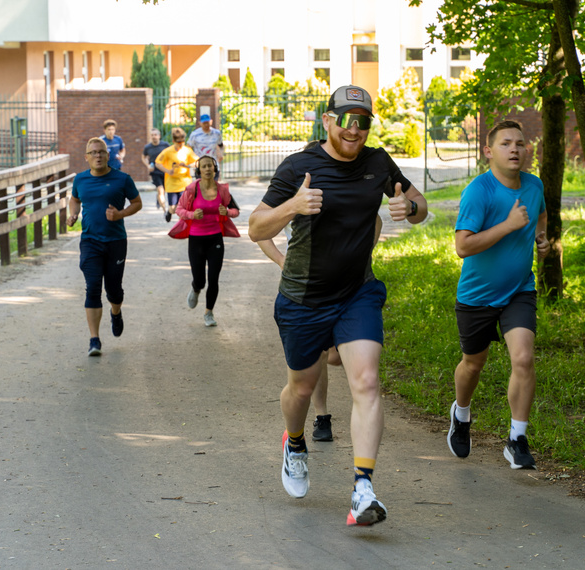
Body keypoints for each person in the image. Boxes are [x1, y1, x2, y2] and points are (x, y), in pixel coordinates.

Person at [248, 85, 427, 526]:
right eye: (346, 119)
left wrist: (410, 207)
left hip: (356, 291)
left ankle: (363, 488)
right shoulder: (299, 166)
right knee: (302, 390)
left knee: (366, 381)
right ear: (327, 121)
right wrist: (293, 205)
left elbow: (419, 202)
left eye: (364, 121)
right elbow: (254, 227)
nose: (355, 129)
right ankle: (293, 442)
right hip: (303, 299)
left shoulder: (377, 162)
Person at [447, 120, 550, 470]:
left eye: (520, 144)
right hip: (477, 295)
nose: (515, 150)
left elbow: (540, 216)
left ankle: (517, 438)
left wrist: (541, 239)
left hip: (520, 290)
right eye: (506, 144)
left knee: (523, 359)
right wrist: (508, 225)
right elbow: (462, 247)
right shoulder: (480, 191)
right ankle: (461, 414)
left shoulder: (534, 185)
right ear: (489, 151)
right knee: (473, 364)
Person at [257, 210, 384, 443]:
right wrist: (281, 260)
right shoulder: (294, 190)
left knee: (335, 357)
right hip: (307, 290)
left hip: (347, 289)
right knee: (319, 356)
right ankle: (321, 416)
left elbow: (375, 219)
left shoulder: (344, 185)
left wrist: (363, 253)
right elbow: (259, 231)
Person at [67, 137, 143, 356]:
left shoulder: (122, 179)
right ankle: (94, 340)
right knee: (92, 287)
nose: (98, 156)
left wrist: (120, 214)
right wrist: (72, 213)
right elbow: (74, 199)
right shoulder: (80, 179)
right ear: (87, 157)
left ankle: (116, 312)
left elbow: (137, 203)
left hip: (116, 241)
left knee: (114, 290)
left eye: (101, 152)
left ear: (108, 156)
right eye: (93, 152)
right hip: (90, 241)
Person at [175, 155, 239, 327]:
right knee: (200, 279)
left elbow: (235, 210)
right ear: (199, 170)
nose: (208, 169)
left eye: (210, 166)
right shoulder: (191, 189)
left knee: (213, 278)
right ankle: (196, 288)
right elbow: (178, 209)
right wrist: (191, 214)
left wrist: (227, 212)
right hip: (196, 239)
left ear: (215, 168)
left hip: (215, 237)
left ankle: (208, 313)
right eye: (204, 167)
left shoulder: (222, 190)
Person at [155, 127, 199, 222]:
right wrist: (167, 171)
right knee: (174, 208)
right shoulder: (167, 151)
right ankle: (169, 212)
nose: (181, 145)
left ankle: (182, 227)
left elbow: (198, 162)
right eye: (178, 143)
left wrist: (187, 165)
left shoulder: (187, 150)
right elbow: (158, 163)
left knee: (183, 208)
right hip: (172, 184)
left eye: (182, 142)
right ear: (173, 141)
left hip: (185, 184)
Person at [186, 113, 224, 180]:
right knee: (202, 189)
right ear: (200, 123)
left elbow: (221, 145)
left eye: (207, 122)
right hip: (200, 165)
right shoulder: (195, 134)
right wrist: (193, 160)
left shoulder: (217, 133)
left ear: (211, 122)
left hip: (213, 164)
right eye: (204, 123)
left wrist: (221, 153)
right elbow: (188, 148)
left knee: (213, 188)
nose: (206, 124)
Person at [142, 128, 169, 210]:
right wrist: (148, 165)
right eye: (152, 135)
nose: (154, 137)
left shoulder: (165, 145)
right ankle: (165, 210)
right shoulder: (148, 147)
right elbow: (143, 157)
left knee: (163, 190)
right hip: (155, 171)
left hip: (165, 170)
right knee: (161, 189)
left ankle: (159, 199)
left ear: (159, 136)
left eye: (155, 135)